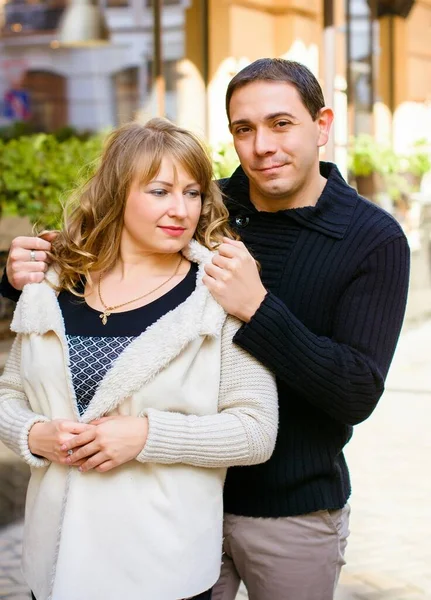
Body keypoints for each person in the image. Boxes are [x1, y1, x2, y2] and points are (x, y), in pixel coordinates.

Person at [2, 59, 410, 600]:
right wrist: (17, 281)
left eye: (281, 123)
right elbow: (97, 256)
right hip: (167, 504)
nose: (263, 145)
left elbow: (356, 390)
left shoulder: (373, 239)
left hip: (287, 507)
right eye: (244, 129)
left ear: (323, 124)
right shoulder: (202, 203)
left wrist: (258, 310)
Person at [0, 118, 278, 600]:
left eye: (193, 193)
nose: (181, 209)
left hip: (162, 567)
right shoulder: (53, 288)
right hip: (55, 568)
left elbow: (256, 430)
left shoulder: (216, 294)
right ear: (116, 194)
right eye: (160, 191)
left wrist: (147, 435)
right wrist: (33, 434)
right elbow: (9, 395)